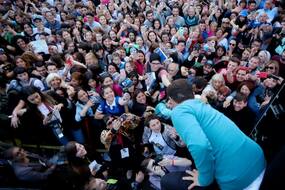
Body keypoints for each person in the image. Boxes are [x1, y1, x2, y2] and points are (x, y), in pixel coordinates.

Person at [166, 79, 266, 190]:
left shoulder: (179, 111)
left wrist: (204, 179)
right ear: (192, 93)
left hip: (239, 177)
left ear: (171, 99)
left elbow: (200, 145)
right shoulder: (200, 104)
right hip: (257, 157)